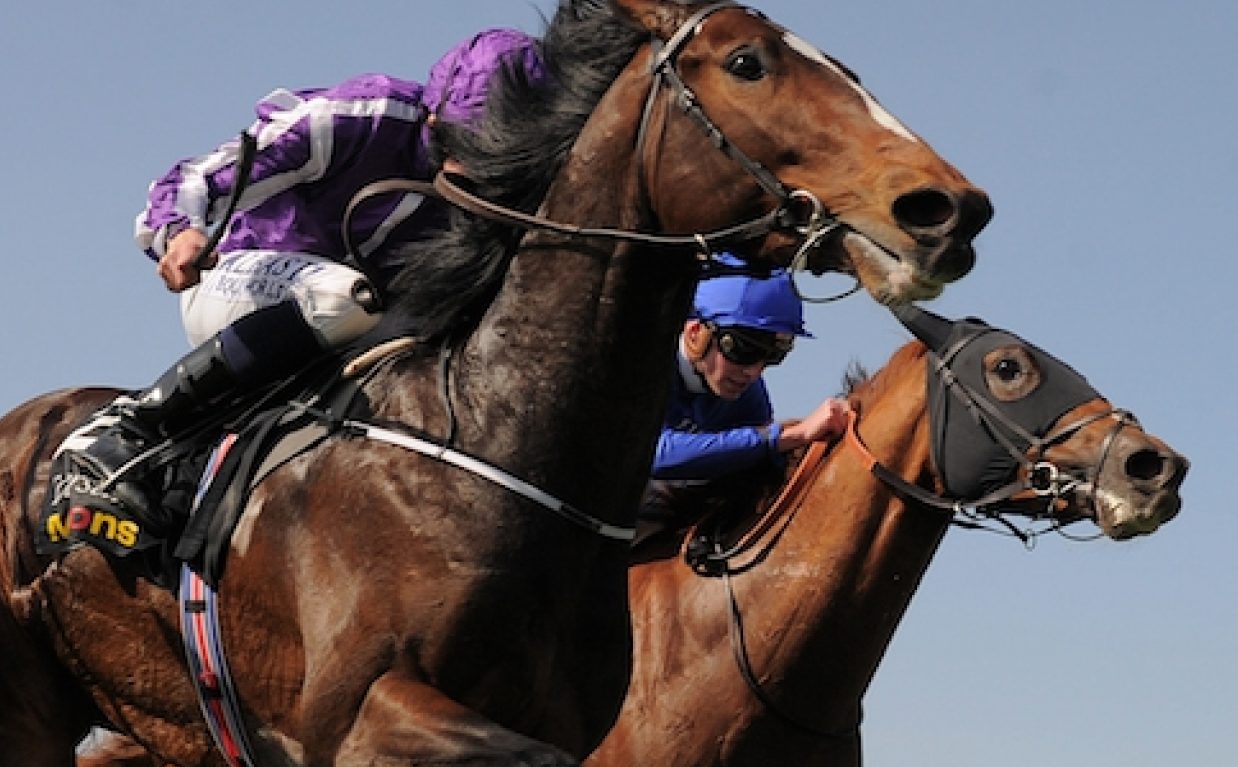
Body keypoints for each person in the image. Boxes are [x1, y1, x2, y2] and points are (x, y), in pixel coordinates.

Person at [60, 28, 546, 522]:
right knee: (348, 297)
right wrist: (179, 231)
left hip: (367, 325)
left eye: (491, 150)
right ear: (434, 112)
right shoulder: (360, 118)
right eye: (461, 139)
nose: (465, 164)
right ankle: (134, 424)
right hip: (243, 277)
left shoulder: (515, 184)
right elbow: (195, 177)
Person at [639, 267, 853, 533]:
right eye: (743, 349)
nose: (753, 371)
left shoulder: (746, 393)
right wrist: (785, 436)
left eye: (772, 356)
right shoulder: (642, 361)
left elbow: (757, 462)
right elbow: (646, 453)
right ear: (695, 334)